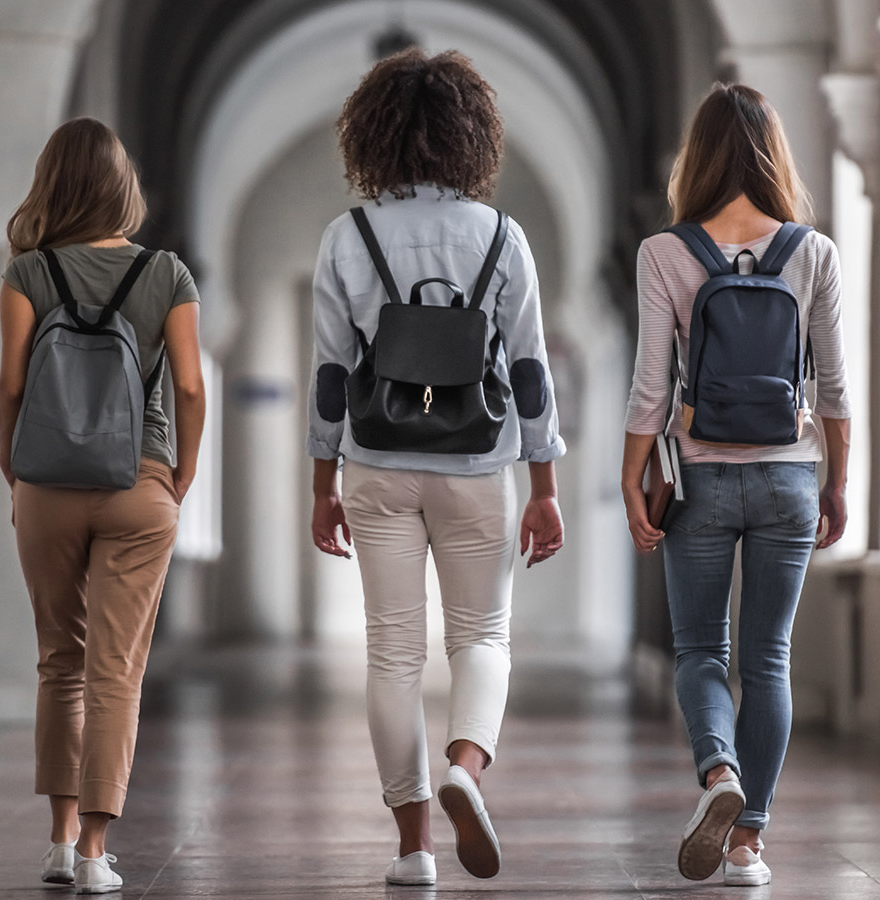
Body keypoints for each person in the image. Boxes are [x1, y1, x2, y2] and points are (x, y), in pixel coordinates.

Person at [307, 48, 567, 887]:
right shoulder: (502, 237)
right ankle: (466, 765)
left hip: (376, 461)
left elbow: (328, 374)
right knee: (482, 636)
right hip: (476, 464)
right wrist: (545, 486)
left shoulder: (346, 238)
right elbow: (529, 370)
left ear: (372, 136)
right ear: (472, 136)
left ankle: (414, 846)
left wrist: (322, 483)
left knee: (391, 655)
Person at [620, 84, 851, 888]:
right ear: (774, 155)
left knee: (700, 650)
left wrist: (630, 478)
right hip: (791, 475)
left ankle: (719, 774)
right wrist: (838, 483)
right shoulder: (811, 252)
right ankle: (749, 844)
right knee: (770, 657)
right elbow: (836, 392)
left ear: (699, 157)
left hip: (702, 477)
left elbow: (652, 386)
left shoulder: (665, 252)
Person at [0, 117, 205, 894]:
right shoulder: (166, 273)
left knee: (61, 662)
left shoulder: (28, 273)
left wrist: (15, 467)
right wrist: (178, 474)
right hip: (138, 483)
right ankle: (93, 853)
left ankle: (54, 841)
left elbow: (12, 385)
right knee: (118, 671)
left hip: (46, 484)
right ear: (124, 186)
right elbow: (188, 385)